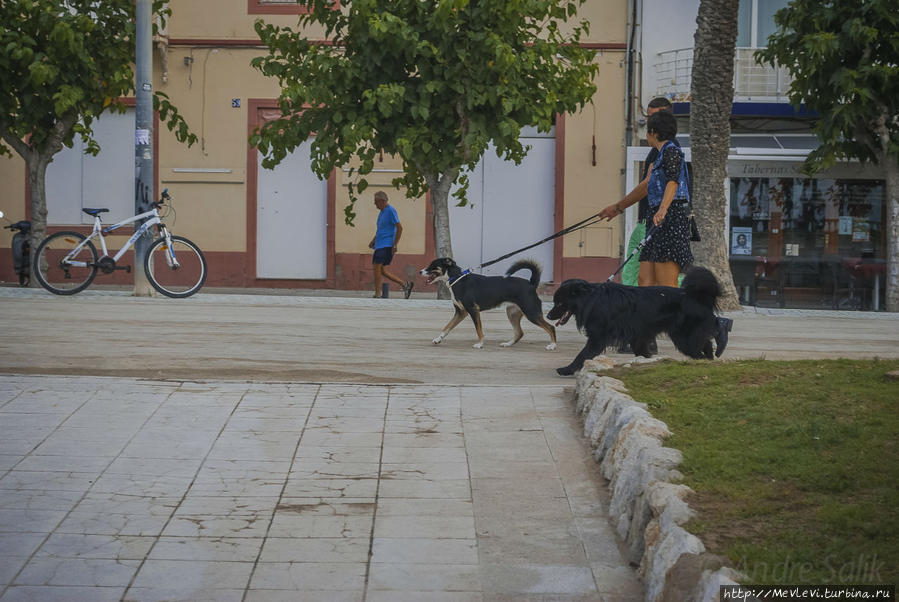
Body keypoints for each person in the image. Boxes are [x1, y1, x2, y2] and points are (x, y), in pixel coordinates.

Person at [599, 110, 733, 356]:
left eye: (647, 131)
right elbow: (647, 186)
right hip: (657, 221)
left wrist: (662, 209)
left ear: (652, 132)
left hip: (670, 222)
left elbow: (672, 182)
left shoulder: (671, 151)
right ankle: (644, 339)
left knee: (667, 288)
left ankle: (716, 325)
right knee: (644, 284)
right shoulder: (660, 155)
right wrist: (617, 208)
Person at [369, 191, 414, 299]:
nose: (374, 204)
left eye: (376, 202)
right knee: (382, 271)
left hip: (386, 245)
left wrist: (394, 244)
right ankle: (404, 285)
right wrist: (373, 240)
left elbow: (399, 227)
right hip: (380, 245)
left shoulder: (390, 210)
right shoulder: (382, 212)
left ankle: (378, 294)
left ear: (382, 201)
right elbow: (381, 229)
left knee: (376, 270)